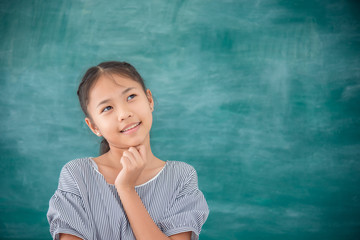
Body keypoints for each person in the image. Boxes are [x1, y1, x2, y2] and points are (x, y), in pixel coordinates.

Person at [47, 61, 209, 240]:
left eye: (131, 96)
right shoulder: (77, 175)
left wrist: (126, 189)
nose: (124, 113)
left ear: (149, 100)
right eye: (107, 108)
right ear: (94, 126)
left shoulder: (181, 177)